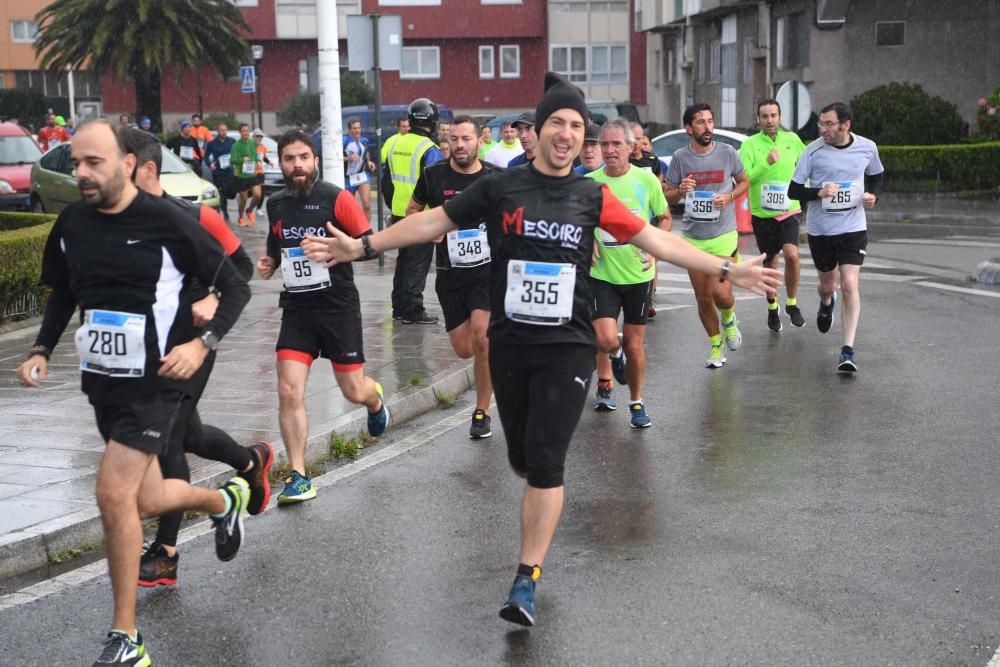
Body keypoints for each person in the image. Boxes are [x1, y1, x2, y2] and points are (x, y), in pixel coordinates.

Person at [302, 72, 780, 628]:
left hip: (569, 344)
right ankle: (532, 501)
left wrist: (729, 268)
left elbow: (657, 239)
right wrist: (361, 246)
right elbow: (433, 219)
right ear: (541, 126)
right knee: (523, 458)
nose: (567, 134)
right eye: (558, 122)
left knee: (547, 462)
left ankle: (526, 577)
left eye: (578, 126)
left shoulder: (591, 195)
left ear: (586, 139)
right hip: (511, 343)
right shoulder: (504, 187)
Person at [15, 119, 252, 666]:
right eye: (75, 162)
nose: (81, 173)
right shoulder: (73, 221)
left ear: (127, 164)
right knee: (144, 499)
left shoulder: (168, 221)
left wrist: (203, 343)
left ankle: (127, 637)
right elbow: (64, 292)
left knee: (112, 495)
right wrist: (41, 350)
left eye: (93, 162)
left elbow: (235, 282)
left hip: (158, 382)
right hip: (104, 383)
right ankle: (225, 501)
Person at [129, 128, 274, 587]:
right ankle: (251, 462)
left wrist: (212, 302)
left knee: (167, 440)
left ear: (146, 169)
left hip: (193, 344)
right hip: (147, 348)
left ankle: (167, 552)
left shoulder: (194, 217)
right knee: (187, 434)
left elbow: (242, 271)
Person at [257, 129, 389, 504]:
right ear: (280, 163)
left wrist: (347, 251)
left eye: (303, 158)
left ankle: (375, 400)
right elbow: (276, 244)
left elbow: (371, 246)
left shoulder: (337, 198)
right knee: (288, 390)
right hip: (297, 309)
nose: (296, 165)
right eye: (288, 159)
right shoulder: (277, 203)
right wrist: (268, 263)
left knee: (353, 390)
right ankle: (299, 475)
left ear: (315, 160)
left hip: (338, 308)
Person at [407, 115, 498, 439]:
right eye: (454, 139)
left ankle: (482, 410)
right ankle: (490, 364)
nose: (460, 145)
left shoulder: (494, 178)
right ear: (448, 142)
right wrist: (429, 227)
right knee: (463, 349)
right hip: (450, 273)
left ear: (479, 141)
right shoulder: (433, 176)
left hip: (487, 272)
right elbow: (412, 209)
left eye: (466, 139)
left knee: (483, 337)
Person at [788, 102, 883, 373]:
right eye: (822, 124)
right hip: (822, 231)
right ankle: (827, 302)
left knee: (850, 284)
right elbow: (793, 191)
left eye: (829, 124)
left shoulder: (867, 147)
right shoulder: (813, 151)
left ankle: (847, 350)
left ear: (846, 124)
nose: (824, 129)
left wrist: (873, 196)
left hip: (853, 227)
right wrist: (818, 192)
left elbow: (877, 175)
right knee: (828, 286)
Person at [588, 118, 670, 425]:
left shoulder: (646, 180)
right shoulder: (590, 183)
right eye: (604, 144)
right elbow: (576, 222)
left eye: (616, 144)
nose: (609, 150)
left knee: (636, 345)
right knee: (606, 338)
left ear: (630, 146)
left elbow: (664, 218)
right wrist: (586, 239)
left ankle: (636, 402)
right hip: (602, 274)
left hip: (638, 275)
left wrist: (652, 245)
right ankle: (614, 355)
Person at [664, 104, 749, 369]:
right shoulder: (680, 157)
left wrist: (729, 196)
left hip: (723, 233)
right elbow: (667, 194)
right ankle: (715, 345)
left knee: (721, 293)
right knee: (702, 296)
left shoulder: (727, 152)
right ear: (689, 128)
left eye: (710, 121)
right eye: (700, 122)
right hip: (693, 236)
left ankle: (729, 319)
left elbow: (745, 181)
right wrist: (680, 189)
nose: (707, 127)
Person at [739, 99, 808, 332]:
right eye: (765, 116)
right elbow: (744, 178)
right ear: (758, 119)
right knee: (770, 262)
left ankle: (791, 304)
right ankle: (772, 307)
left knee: (792, 254)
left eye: (774, 115)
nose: (770, 120)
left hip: (789, 209)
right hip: (763, 213)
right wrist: (765, 164)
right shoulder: (749, 145)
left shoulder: (793, 140)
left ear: (780, 117)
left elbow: (807, 165)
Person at [382, 98, 445, 324]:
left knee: (403, 261)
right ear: (433, 122)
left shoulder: (394, 144)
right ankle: (413, 309)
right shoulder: (430, 149)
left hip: (399, 213)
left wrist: (393, 207)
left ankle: (399, 307)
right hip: (421, 215)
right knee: (417, 264)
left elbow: (385, 181)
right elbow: (436, 186)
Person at [343, 119, 376, 223]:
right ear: (349, 130)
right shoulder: (344, 141)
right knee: (349, 207)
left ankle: (367, 232)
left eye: (359, 128)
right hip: (348, 178)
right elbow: (334, 157)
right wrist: (348, 158)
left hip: (362, 176)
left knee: (367, 205)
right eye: (354, 128)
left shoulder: (364, 140)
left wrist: (369, 161)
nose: (357, 130)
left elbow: (366, 153)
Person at [204, 123, 237, 222]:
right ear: (218, 131)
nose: (224, 132)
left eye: (225, 130)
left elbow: (236, 153)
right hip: (218, 172)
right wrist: (210, 165)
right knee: (222, 193)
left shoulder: (232, 141)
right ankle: (225, 213)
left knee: (231, 193)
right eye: (222, 130)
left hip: (230, 171)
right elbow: (206, 156)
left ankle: (222, 203)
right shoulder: (212, 143)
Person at [230, 123, 261, 227]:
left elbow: (255, 155)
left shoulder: (253, 143)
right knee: (243, 198)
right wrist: (242, 160)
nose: (246, 133)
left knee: (258, 195)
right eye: (244, 131)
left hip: (252, 173)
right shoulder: (236, 145)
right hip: (241, 175)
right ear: (240, 132)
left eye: (247, 131)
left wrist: (258, 161)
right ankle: (241, 218)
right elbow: (232, 161)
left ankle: (249, 210)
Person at [252, 128, 271, 213]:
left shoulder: (263, 147)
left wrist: (269, 162)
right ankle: (249, 207)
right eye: (257, 136)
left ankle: (259, 208)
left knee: (262, 190)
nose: (259, 138)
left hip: (260, 172)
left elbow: (264, 157)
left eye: (261, 137)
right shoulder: (249, 146)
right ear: (253, 137)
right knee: (251, 193)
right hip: (251, 172)